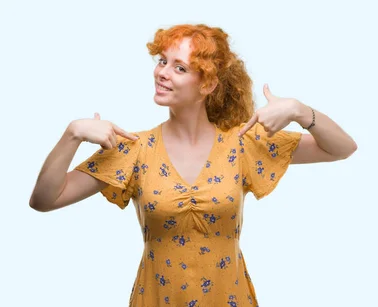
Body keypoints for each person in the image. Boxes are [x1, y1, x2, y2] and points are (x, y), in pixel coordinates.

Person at [29, 23, 357, 306]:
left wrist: (301, 111)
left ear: (208, 84)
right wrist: (72, 134)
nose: (162, 72)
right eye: (162, 62)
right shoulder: (134, 148)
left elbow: (341, 148)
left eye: (179, 67)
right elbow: (45, 200)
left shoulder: (243, 143)